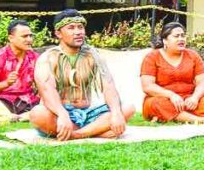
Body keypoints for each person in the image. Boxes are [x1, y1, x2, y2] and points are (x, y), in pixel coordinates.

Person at [30, 10, 134, 141]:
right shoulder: (48, 58)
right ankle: (96, 131)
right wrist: (62, 114)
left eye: (80, 27)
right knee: (38, 114)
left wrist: (116, 113)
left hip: (88, 114)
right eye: (71, 28)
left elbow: (108, 86)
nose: (78, 32)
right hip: (58, 114)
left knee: (127, 108)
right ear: (58, 33)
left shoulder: (92, 55)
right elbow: (46, 90)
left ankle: (76, 135)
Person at [140, 22, 204, 124]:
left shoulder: (193, 56)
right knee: (157, 104)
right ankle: (200, 120)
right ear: (165, 41)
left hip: (187, 99)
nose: (181, 39)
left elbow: (202, 83)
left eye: (183, 36)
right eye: (176, 36)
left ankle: (169, 116)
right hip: (163, 99)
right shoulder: (152, 57)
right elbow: (147, 86)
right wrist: (171, 95)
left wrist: (194, 98)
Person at [0, 19, 41, 121]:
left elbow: (43, 83)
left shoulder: (35, 57)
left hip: (29, 101)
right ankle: (21, 116)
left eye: (30, 36)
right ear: (11, 38)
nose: (29, 40)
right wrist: (6, 83)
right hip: (4, 100)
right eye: (24, 36)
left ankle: (18, 117)